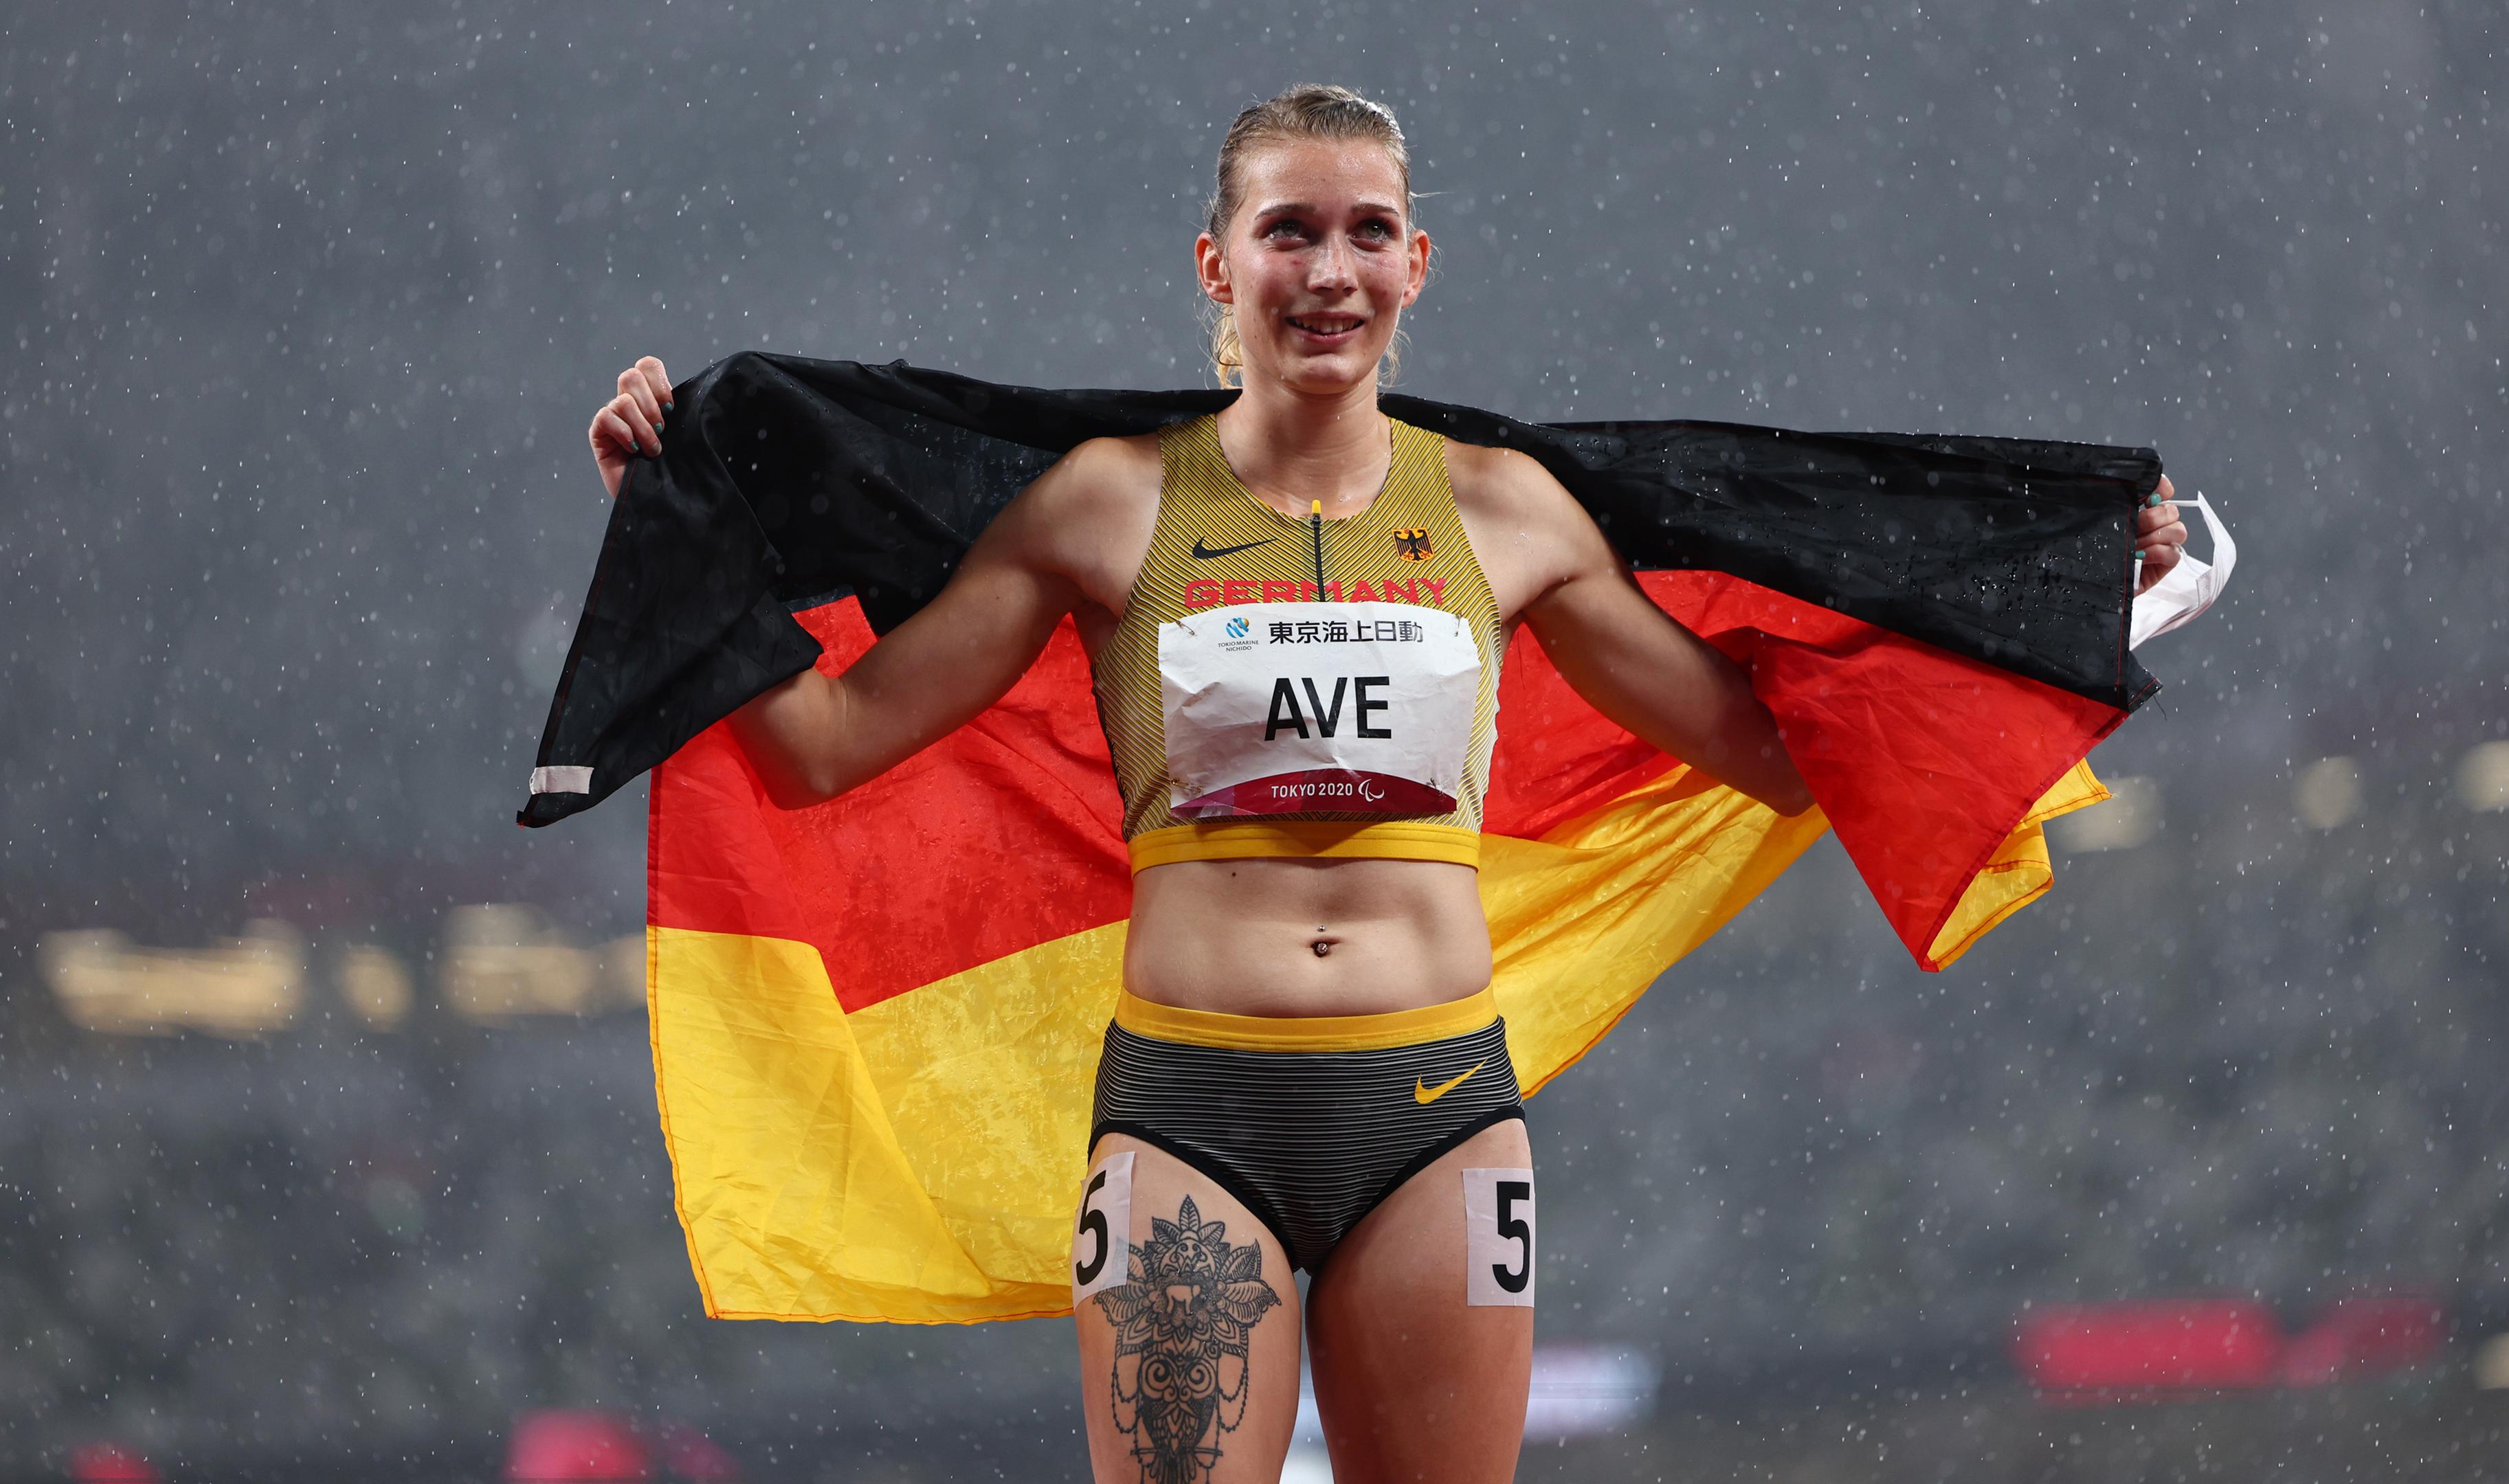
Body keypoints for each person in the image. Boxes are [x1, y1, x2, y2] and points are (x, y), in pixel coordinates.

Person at [587, 84, 2188, 1484]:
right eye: (1288, 231)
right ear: (1217, 265)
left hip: (1437, 1123)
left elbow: (1776, 759)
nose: (1329, 271)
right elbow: (822, 748)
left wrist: (2048, 604)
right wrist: (675, 533)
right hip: (1189, 1119)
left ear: (1417, 263)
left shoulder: (1510, 515)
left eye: (1367, 232)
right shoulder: (1102, 509)